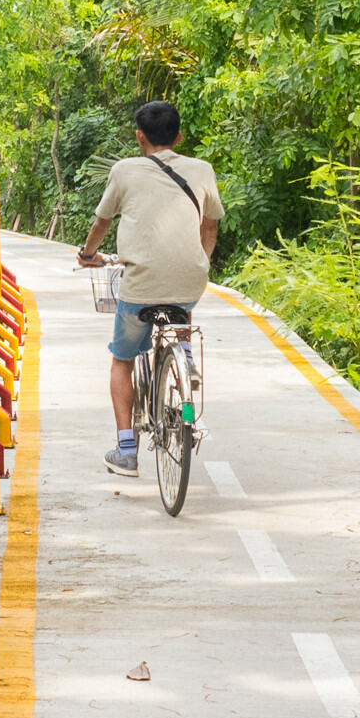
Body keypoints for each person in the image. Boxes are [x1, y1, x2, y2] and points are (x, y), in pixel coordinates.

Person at [75, 100, 223, 476]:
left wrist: (88, 254)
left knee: (122, 359)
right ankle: (184, 354)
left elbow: (102, 223)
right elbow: (210, 227)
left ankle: (126, 450)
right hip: (191, 278)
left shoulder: (124, 170)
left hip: (139, 286)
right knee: (181, 300)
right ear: (179, 136)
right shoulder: (202, 169)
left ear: (139, 136)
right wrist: (203, 260)